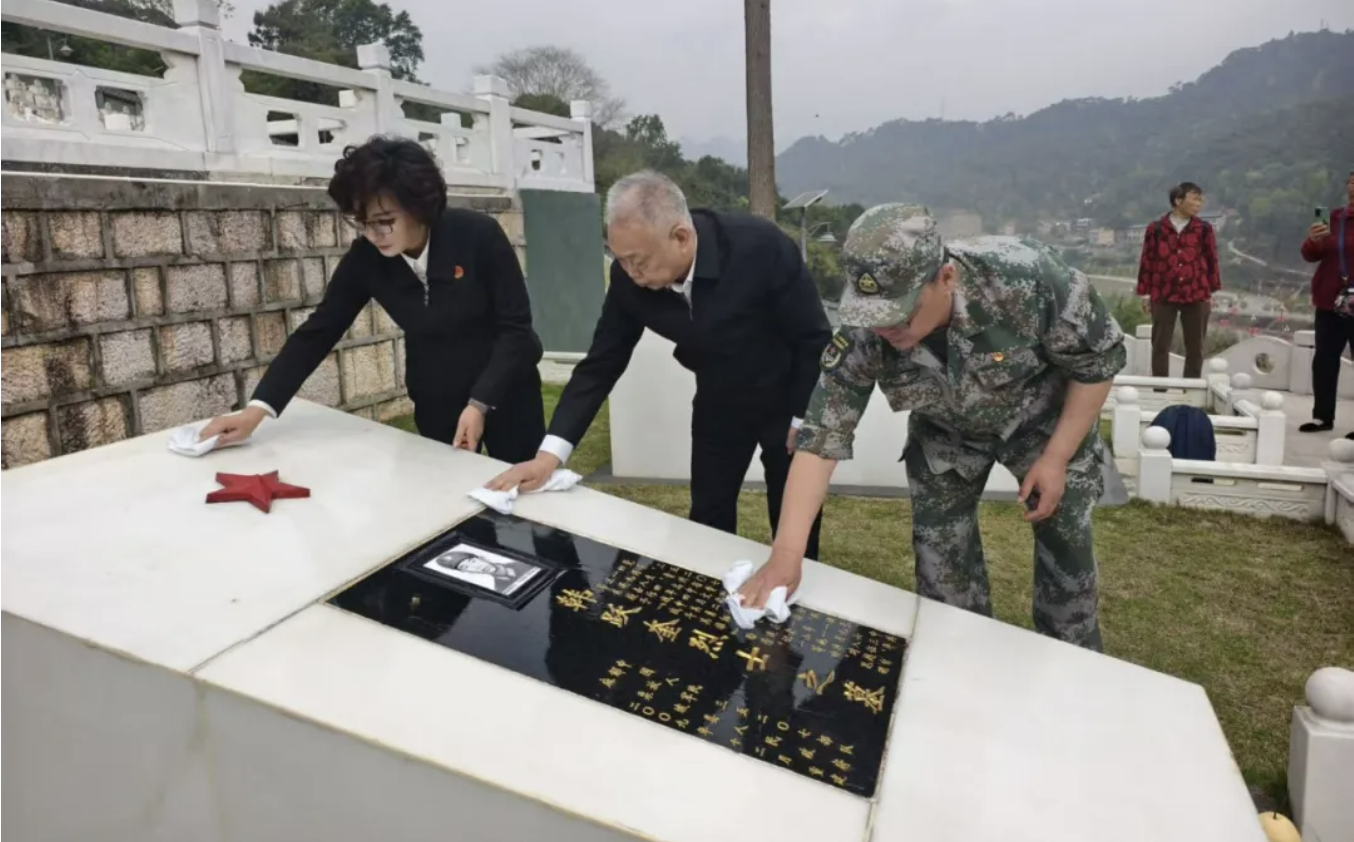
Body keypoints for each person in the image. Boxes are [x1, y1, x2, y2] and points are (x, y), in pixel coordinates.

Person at [737, 204, 1127, 653]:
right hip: (947, 433)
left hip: (1045, 421)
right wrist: (786, 558)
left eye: (902, 312)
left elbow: (1097, 361)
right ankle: (956, 661)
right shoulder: (866, 331)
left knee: (1067, 552)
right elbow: (821, 440)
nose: (886, 327)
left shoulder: (1028, 278)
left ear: (945, 278)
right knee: (941, 565)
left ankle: (1071, 662)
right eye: (874, 313)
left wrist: (1057, 458)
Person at [485, 170, 832, 558]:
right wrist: (549, 456)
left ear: (681, 237)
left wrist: (805, 416)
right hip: (719, 399)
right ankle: (706, 585)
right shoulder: (628, 279)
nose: (631, 273)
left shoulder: (760, 247)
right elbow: (600, 364)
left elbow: (814, 338)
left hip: (787, 397)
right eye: (620, 259)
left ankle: (797, 584)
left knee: (794, 516)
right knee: (708, 512)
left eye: (638, 261)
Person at [201, 136, 546, 461]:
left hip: (507, 387)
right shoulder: (366, 259)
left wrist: (479, 403)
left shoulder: (478, 235)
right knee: (444, 490)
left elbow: (515, 327)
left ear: (419, 207)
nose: (373, 234)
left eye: (385, 221)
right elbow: (319, 331)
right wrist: (256, 410)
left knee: (523, 488)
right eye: (363, 222)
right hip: (437, 393)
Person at [1135, 181, 1221, 378]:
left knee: (1195, 346)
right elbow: (1147, 260)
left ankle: (1190, 389)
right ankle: (1159, 387)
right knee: (1160, 344)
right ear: (1178, 201)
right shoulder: (1156, 229)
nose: (1198, 204)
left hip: (1196, 292)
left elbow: (1211, 259)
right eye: (1194, 199)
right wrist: (1145, 293)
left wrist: (1211, 291)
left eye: (1200, 200)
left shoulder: (1204, 229)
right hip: (1163, 292)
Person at [1298, 170, 1354, 437]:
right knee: (1324, 360)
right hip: (1331, 300)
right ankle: (1322, 416)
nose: (1353, 186)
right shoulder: (1333, 218)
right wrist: (1314, 240)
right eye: (1351, 181)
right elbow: (1310, 255)